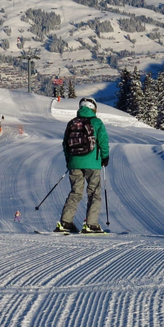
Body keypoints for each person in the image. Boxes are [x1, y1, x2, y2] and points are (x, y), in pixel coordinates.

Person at [56, 97, 109, 234]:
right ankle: (91, 224)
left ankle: (65, 222)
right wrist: (105, 157)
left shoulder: (72, 123)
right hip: (93, 163)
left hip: (74, 163)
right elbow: (103, 141)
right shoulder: (97, 122)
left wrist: (69, 160)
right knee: (94, 193)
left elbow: (65, 144)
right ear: (94, 108)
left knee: (75, 192)